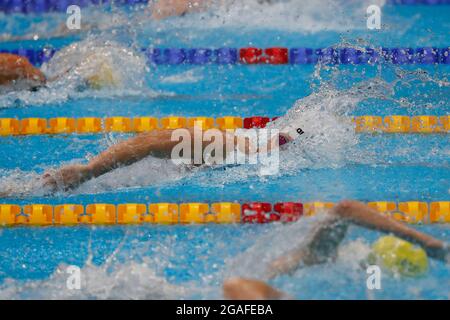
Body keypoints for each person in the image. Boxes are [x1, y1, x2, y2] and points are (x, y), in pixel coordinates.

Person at [221, 200, 450, 299]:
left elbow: (236, 287)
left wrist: (429, 245)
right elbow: (346, 209)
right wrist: (432, 246)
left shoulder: (312, 258)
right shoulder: (317, 257)